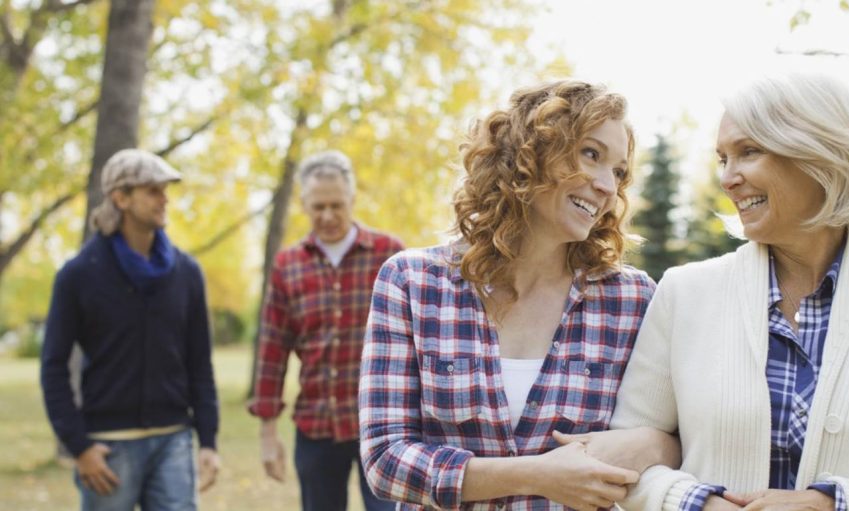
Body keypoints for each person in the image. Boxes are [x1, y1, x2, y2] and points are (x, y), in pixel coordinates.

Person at [600, 73, 849, 511]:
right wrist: (699, 504)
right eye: (723, 159)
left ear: (821, 155)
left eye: (749, 152)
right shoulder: (684, 293)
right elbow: (627, 458)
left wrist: (831, 505)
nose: (727, 178)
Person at [359, 80, 679, 511]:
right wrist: (536, 475)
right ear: (529, 152)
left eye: (619, 172)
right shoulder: (413, 283)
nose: (608, 185)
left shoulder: (632, 300)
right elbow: (385, 459)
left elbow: (679, 439)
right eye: (591, 154)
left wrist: (658, 444)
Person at [41, 148, 220, 510]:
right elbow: (53, 367)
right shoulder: (78, 275)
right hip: (108, 445)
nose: (164, 199)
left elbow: (199, 361)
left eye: (165, 190)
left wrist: (208, 441)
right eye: (152, 190)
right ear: (120, 198)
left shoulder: (187, 273)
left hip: (174, 440)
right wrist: (79, 447)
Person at [248, 150, 404, 511]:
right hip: (316, 426)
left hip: (384, 426)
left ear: (352, 200)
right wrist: (268, 434)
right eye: (319, 207)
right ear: (304, 205)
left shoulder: (389, 254)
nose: (328, 216)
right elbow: (272, 351)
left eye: (337, 205)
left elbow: (417, 341)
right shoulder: (288, 265)